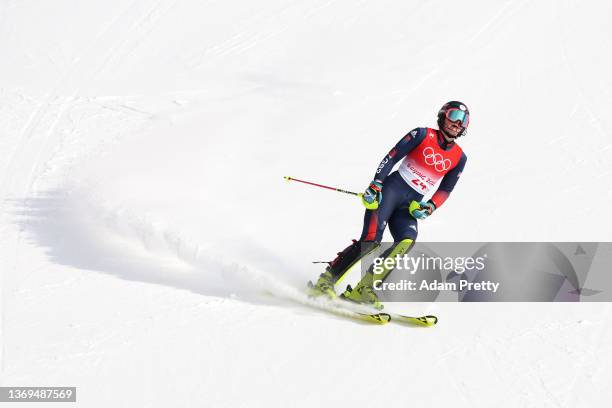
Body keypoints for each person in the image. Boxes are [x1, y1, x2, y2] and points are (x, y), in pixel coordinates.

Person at [308, 101, 470, 309]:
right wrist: (376, 184)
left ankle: (364, 289)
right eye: (454, 115)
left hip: (410, 205)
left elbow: (446, 190)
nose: (458, 122)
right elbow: (391, 157)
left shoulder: (460, 157)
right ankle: (325, 282)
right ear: (442, 116)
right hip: (390, 192)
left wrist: (430, 206)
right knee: (371, 240)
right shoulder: (421, 134)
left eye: (463, 119)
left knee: (406, 241)